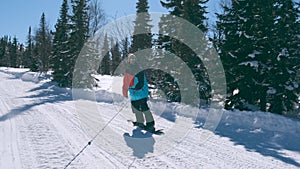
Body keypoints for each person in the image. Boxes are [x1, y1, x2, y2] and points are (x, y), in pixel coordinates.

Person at [122, 53, 156, 132]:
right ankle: (140, 121)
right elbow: (125, 82)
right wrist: (125, 92)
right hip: (133, 93)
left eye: (134, 59)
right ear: (129, 60)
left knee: (144, 108)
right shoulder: (127, 70)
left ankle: (150, 124)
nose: (132, 61)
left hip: (141, 92)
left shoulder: (138, 69)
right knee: (135, 107)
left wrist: (136, 88)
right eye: (131, 59)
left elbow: (141, 82)